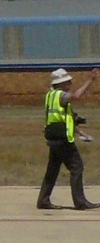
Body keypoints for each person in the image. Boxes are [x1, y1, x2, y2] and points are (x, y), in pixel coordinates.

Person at [38, 67, 99, 210]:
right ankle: (80, 202)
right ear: (60, 84)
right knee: (77, 167)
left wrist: (81, 133)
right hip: (63, 139)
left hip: (54, 137)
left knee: (52, 170)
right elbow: (76, 96)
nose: (70, 84)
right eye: (67, 82)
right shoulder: (61, 95)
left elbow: (64, 120)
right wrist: (90, 80)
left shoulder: (50, 95)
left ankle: (43, 200)